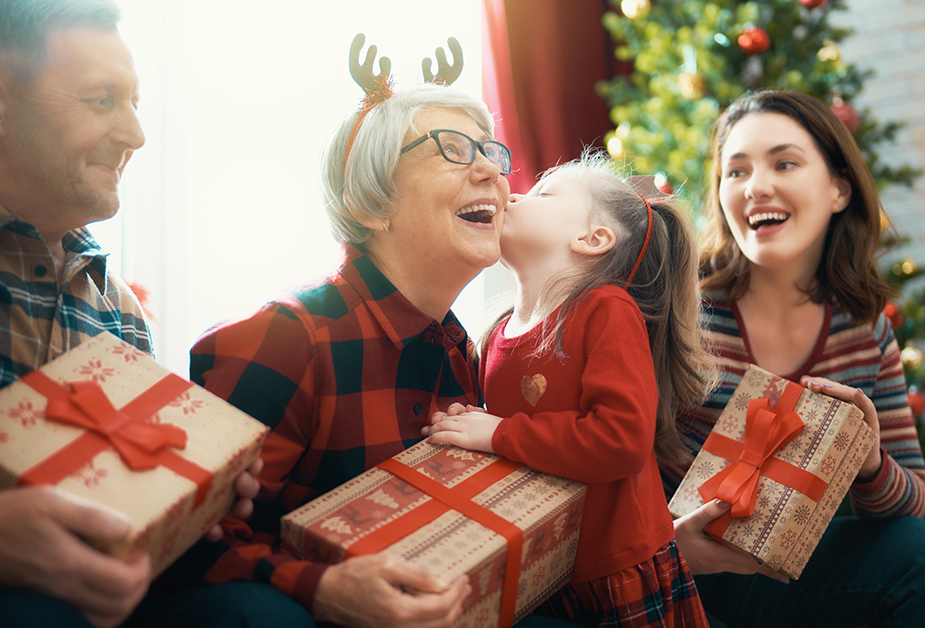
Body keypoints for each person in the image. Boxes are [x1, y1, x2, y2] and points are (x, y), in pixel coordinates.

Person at [186, 70, 522, 626]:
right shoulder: (288, 339)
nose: (490, 169)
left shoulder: (463, 351)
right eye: (453, 150)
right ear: (370, 204)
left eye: (491, 152)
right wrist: (321, 588)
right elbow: (186, 547)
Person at [0, 1, 287, 627]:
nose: (136, 135)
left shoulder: (120, 313)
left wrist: (196, 502)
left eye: (134, 103)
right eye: (103, 100)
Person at [664, 90, 925, 627]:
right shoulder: (679, 311)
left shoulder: (864, 331)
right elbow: (607, 458)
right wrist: (666, 548)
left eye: (784, 162)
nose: (756, 186)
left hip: (782, 584)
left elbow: (911, 502)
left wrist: (869, 461)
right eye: (735, 172)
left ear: (838, 190)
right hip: (669, 576)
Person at [422, 154, 712, 628]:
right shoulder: (496, 332)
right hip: (542, 569)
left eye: (543, 194)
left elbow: (619, 439)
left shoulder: (604, 309)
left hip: (616, 571)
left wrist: (497, 434)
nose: (511, 195)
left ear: (592, 239)